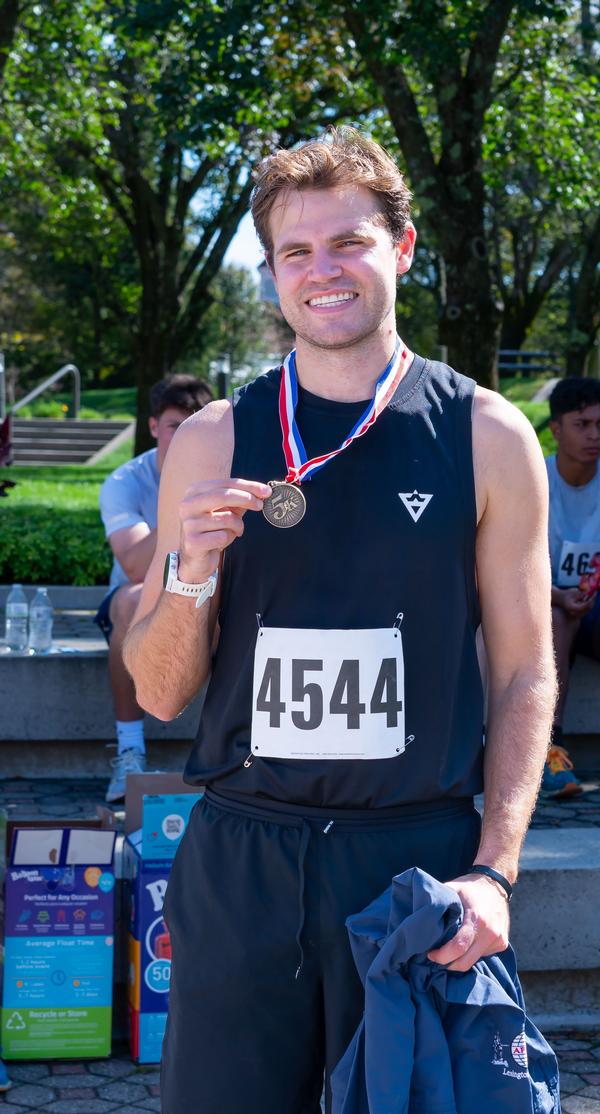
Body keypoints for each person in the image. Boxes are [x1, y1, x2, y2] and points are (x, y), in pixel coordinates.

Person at [123, 129, 557, 1113]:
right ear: (272, 274)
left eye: (349, 243)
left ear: (403, 249)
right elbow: (156, 687)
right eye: (295, 253)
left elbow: (527, 669)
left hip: (414, 859)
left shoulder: (485, 433)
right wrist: (191, 569)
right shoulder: (213, 437)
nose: (322, 271)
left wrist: (495, 870)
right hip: (246, 854)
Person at [96, 373, 212, 803]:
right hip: (139, 597)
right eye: (174, 427)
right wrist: (184, 501)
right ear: (152, 427)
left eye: (195, 426)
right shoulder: (126, 481)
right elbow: (133, 565)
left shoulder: (228, 466)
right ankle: (129, 752)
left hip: (208, 594)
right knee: (130, 603)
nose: (184, 437)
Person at [541, 377, 600, 798]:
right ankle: (549, 752)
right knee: (555, 618)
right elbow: (504, 567)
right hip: (542, 606)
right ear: (556, 429)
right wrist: (557, 595)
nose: (594, 435)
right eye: (582, 424)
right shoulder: (532, 478)